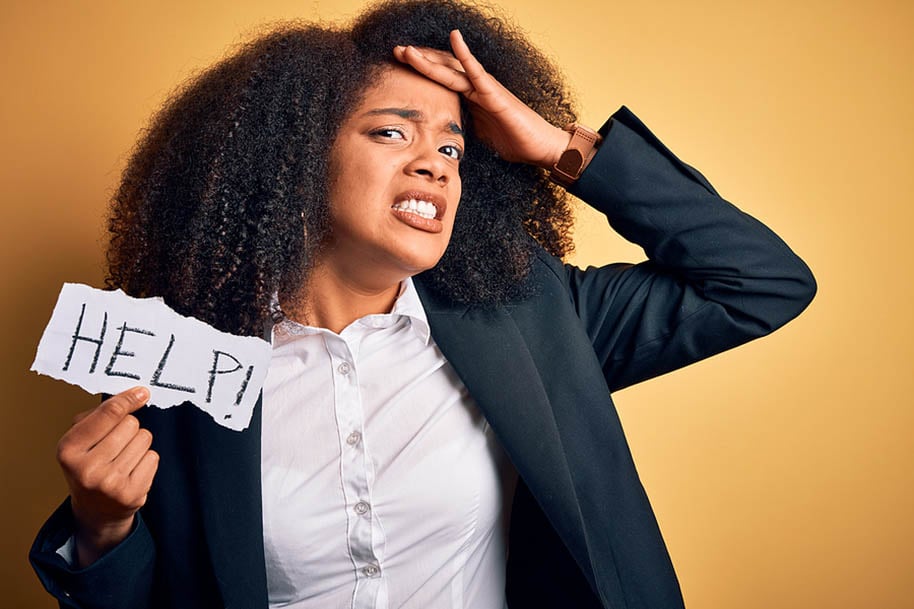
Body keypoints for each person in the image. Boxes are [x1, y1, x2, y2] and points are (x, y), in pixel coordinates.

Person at [29, 1, 816, 608]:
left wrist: (556, 148)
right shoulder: (181, 365)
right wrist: (103, 532)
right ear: (296, 159)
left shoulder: (534, 318)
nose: (435, 165)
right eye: (391, 134)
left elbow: (759, 283)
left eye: (450, 147)